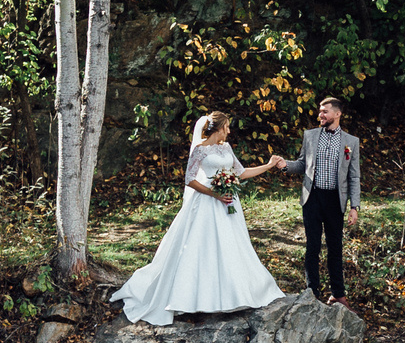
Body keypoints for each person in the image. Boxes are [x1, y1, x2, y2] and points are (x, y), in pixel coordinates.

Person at [109, 111, 285, 326]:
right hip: (207, 202)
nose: (229, 131)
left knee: (231, 245)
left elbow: (240, 172)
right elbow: (189, 179)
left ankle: (234, 294)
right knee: (203, 247)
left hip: (229, 203)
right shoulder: (200, 150)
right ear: (218, 128)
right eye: (227, 127)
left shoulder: (226, 148)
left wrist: (268, 165)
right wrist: (214, 194)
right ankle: (194, 299)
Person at [268, 97, 360, 303]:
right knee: (312, 247)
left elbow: (354, 176)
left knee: (335, 248)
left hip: (336, 201)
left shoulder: (351, 142)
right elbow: (302, 164)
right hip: (312, 198)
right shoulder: (310, 136)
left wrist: (354, 206)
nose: (320, 115)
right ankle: (312, 293)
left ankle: (338, 295)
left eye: (325, 111)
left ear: (337, 114)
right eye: (320, 111)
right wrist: (285, 165)